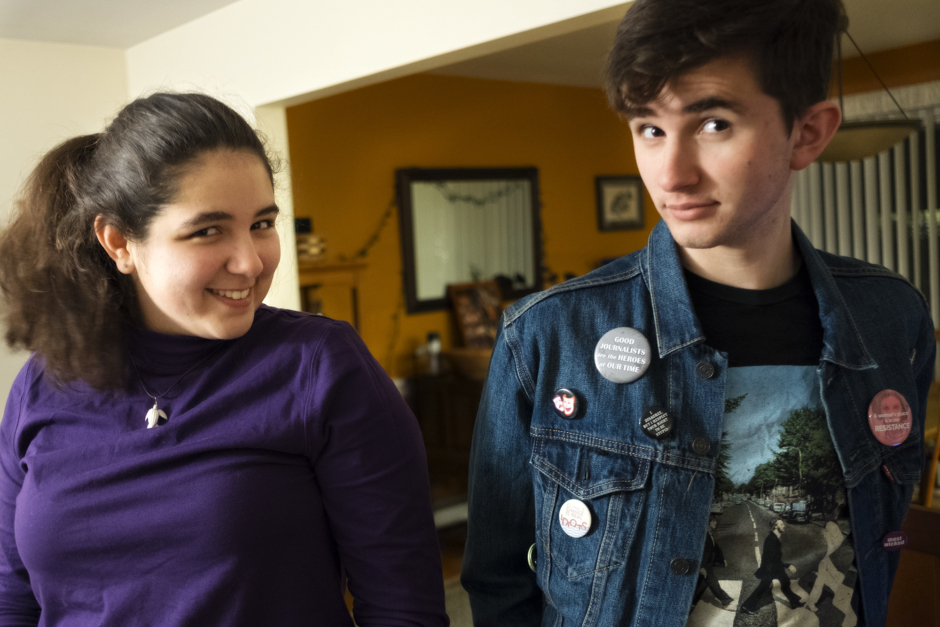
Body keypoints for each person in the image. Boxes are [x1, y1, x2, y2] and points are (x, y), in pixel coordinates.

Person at [460, 0, 935, 625]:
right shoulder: (547, 335)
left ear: (808, 133)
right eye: (649, 129)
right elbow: (498, 579)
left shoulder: (890, 316)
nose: (672, 175)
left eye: (713, 124)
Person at [0, 92, 449, 626]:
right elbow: (11, 596)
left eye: (262, 223)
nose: (251, 262)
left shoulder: (318, 364)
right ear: (119, 242)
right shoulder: (44, 381)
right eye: (208, 230)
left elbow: (404, 605)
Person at [740, 519, 803, 614]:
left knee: (785, 583)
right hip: (770, 569)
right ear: (775, 526)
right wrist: (788, 565)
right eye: (781, 524)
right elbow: (772, 558)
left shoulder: (775, 538)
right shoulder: (771, 540)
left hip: (775, 567)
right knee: (763, 587)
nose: (784, 526)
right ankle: (747, 607)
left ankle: (794, 602)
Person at [691, 516, 733, 611]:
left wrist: (722, 560)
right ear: (708, 523)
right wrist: (701, 567)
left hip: (708, 563)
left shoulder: (709, 534)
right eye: (714, 521)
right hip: (704, 565)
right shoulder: (703, 536)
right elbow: (699, 553)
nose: (716, 523)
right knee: (713, 582)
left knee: (700, 583)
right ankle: (726, 600)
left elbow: (715, 548)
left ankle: (691, 601)